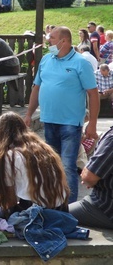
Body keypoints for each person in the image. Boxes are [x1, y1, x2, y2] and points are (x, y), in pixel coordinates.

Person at [25, 26, 99, 203]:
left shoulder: (81, 63)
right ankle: (54, 202)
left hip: (70, 123)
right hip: (48, 120)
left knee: (67, 166)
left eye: (51, 38)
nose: (48, 41)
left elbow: (93, 94)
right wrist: (29, 113)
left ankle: (70, 209)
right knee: (51, 166)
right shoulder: (45, 60)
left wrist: (93, 124)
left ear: (64, 41)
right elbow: (37, 88)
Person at [0, 112, 69, 219]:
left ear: (2, 135)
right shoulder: (44, 148)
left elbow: (9, 200)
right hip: (60, 208)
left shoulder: (10, 155)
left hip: (35, 212)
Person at [69, 124, 113, 229]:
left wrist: (90, 178)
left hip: (105, 208)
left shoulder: (111, 139)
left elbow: (89, 177)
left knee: (50, 215)